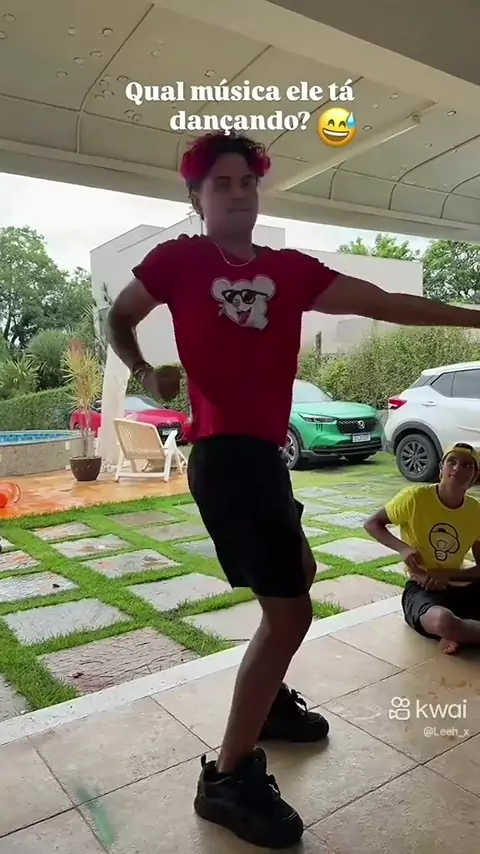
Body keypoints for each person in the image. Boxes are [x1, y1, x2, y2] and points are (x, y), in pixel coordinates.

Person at [107, 131, 480, 848]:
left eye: (247, 182)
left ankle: (268, 705)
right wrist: (145, 369)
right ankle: (227, 778)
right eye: (221, 184)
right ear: (196, 198)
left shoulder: (290, 270)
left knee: (298, 574)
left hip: (266, 459)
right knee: (290, 615)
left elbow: (386, 302)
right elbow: (119, 315)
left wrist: (474, 317)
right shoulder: (177, 261)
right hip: (225, 458)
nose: (238, 194)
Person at [365, 443, 480, 656]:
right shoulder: (415, 498)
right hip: (421, 588)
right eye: (452, 462)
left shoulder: (476, 511)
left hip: (458, 586)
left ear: (474, 476)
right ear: (441, 468)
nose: (457, 468)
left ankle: (461, 631)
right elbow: (372, 523)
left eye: (467, 465)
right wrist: (403, 549)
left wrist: (447, 575)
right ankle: (457, 629)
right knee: (442, 620)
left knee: (452, 620)